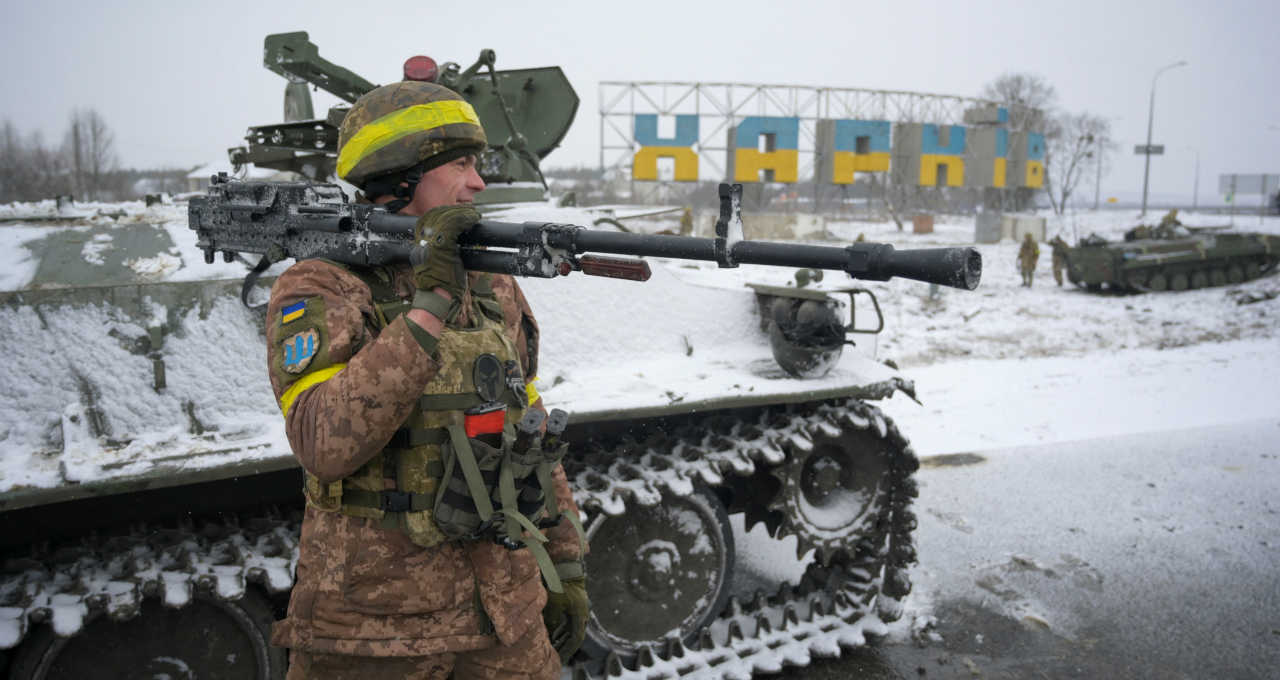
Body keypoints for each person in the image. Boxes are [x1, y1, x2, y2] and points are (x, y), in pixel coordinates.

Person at [265, 80, 588, 680]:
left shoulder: (492, 284)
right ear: (405, 175)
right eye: (461, 164)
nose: (478, 183)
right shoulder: (322, 286)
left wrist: (564, 564)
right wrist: (430, 304)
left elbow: (531, 431)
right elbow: (323, 443)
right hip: (372, 635)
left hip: (504, 619)